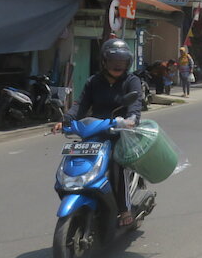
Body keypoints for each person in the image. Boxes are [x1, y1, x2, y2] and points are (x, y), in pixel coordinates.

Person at [51, 38, 143, 227]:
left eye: (122, 62)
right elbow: (80, 105)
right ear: (104, 61)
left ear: (128, 63)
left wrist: (131, 120)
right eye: (113, 61)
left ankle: (124, 208)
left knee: (117, 164)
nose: (118, 66)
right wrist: (65, 120)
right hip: (95, 130)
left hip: (121, 132)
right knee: (74, 159)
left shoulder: (131, 81)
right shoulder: (94, 81)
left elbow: (135, 105)